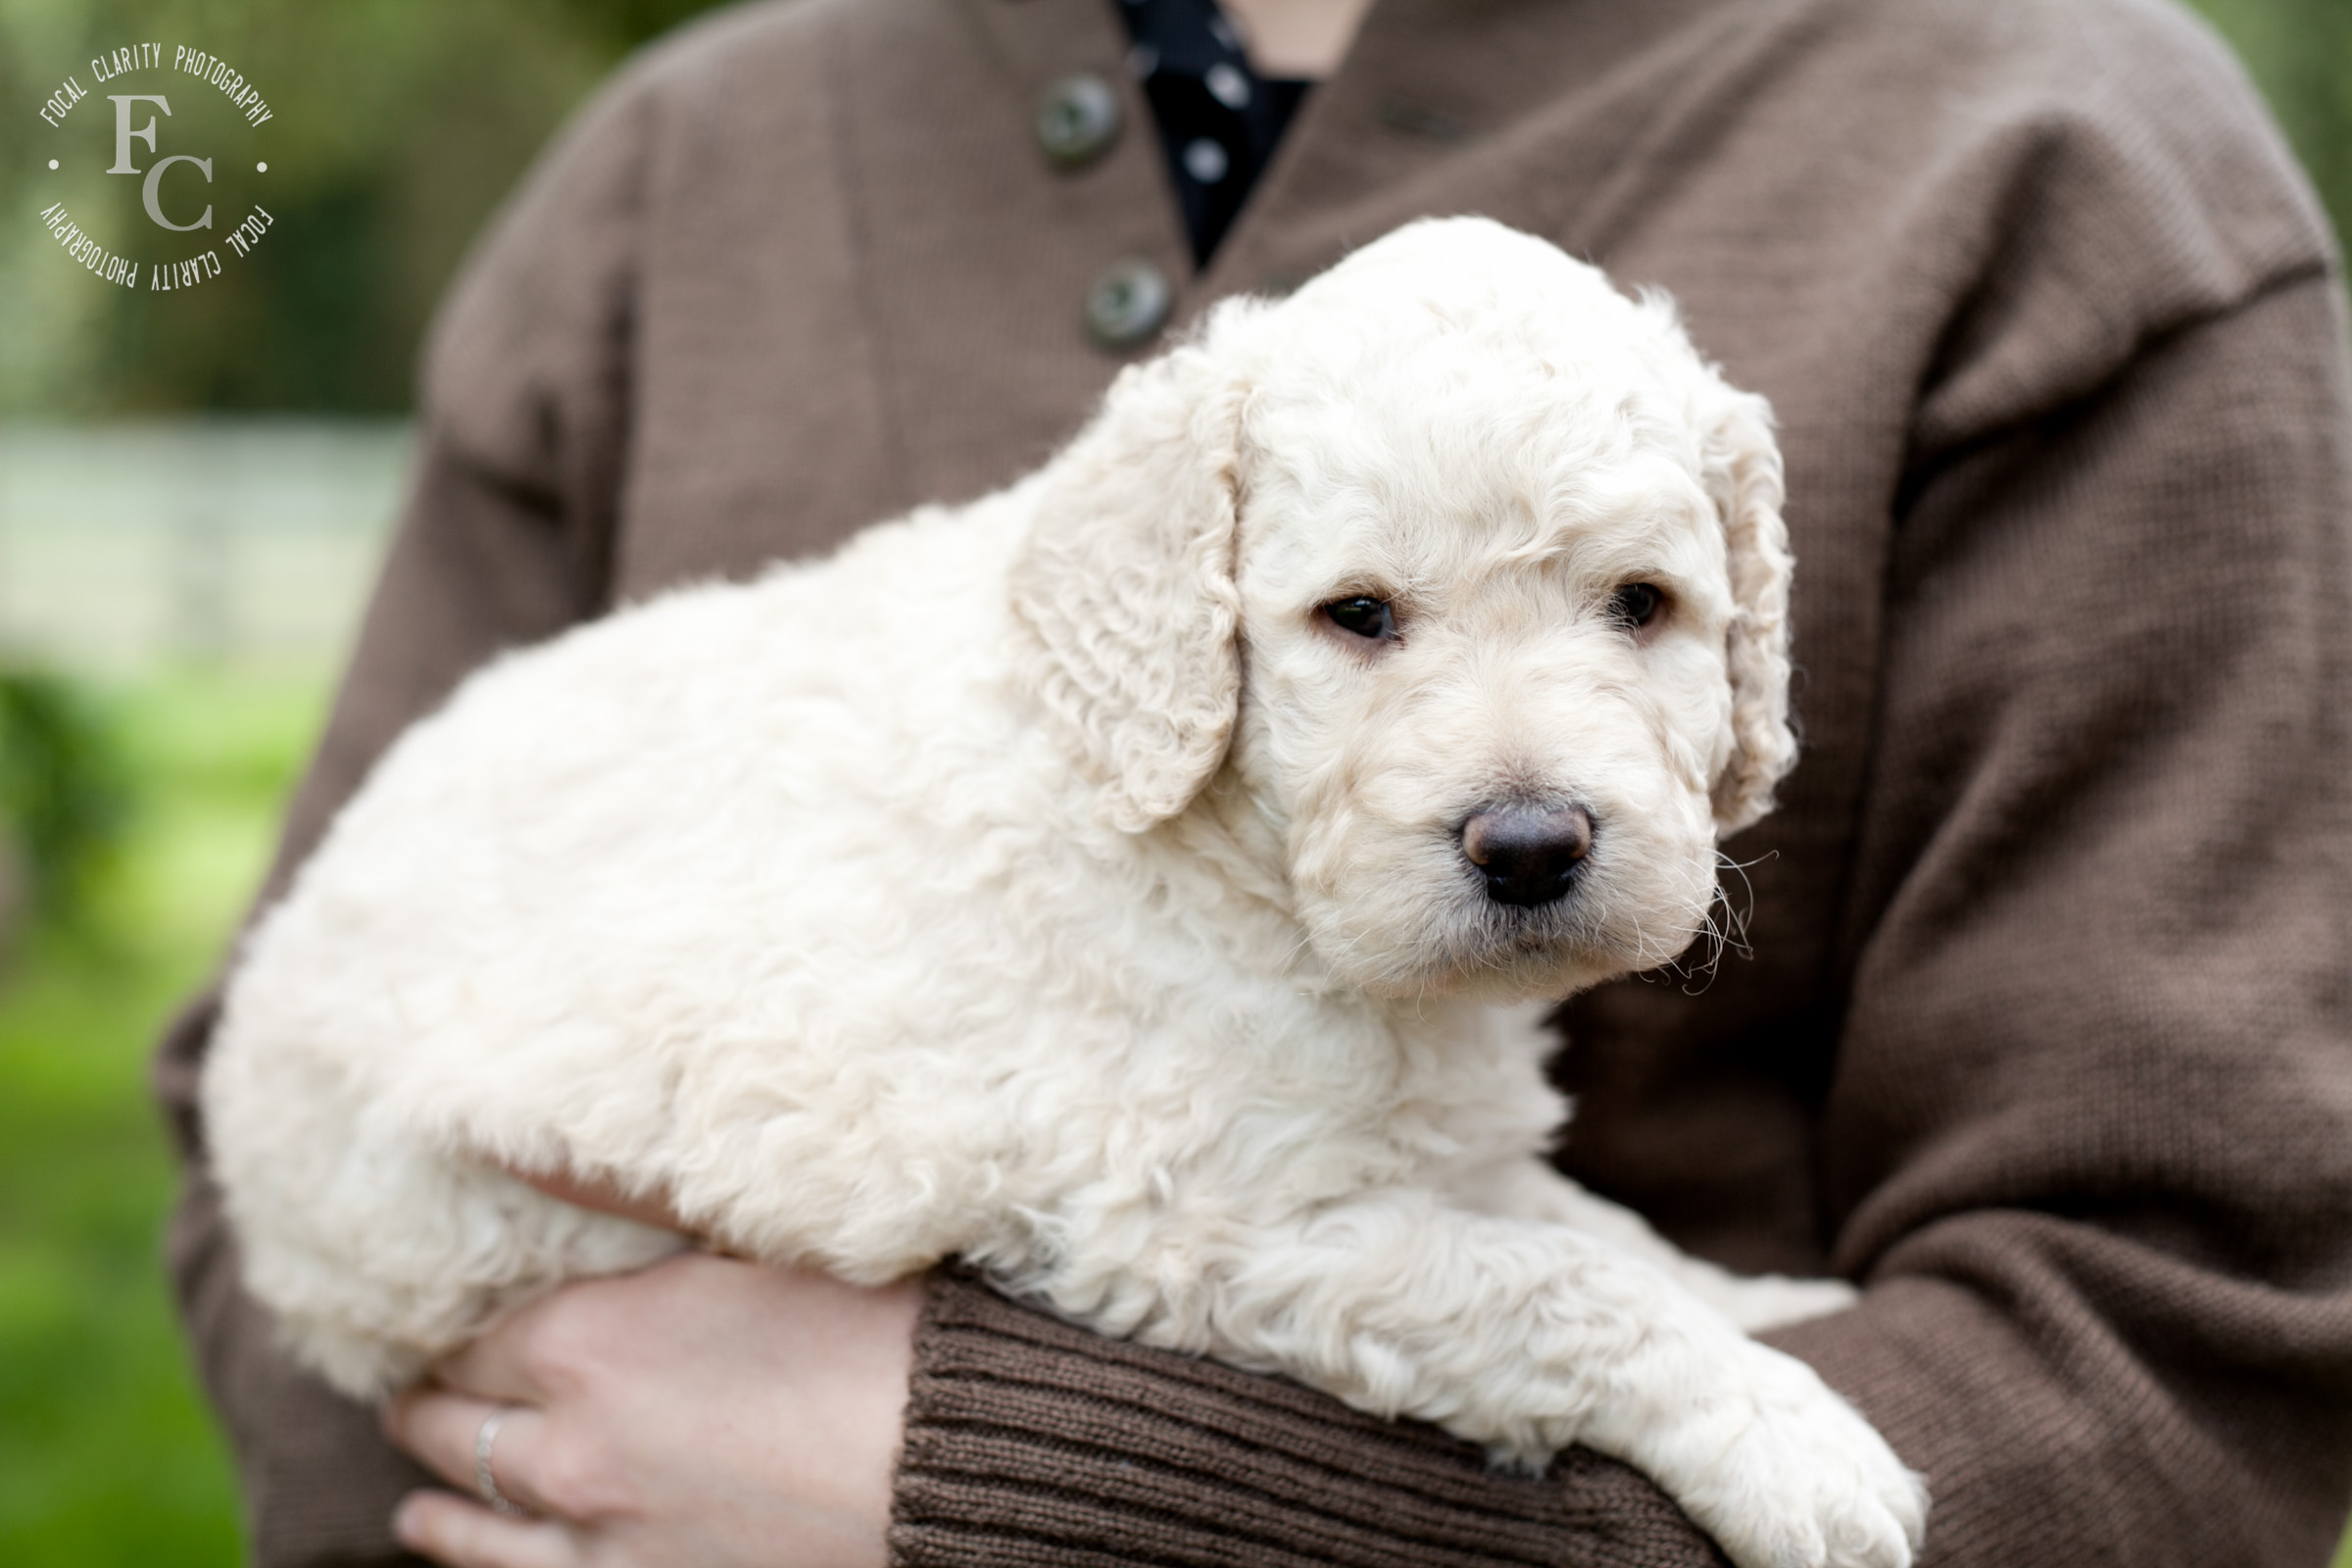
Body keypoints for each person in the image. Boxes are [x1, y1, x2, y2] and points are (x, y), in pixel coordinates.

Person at [156, 0, 2352, 1562]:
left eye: (1637, 606)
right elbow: (275, 1141)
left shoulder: (2060, 152)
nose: (1523, 780)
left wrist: (1033, 1489)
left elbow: (2197, 1344)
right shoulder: (676, 173)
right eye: (1361, 621)